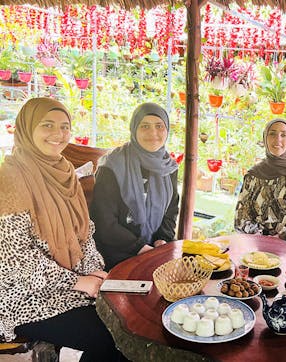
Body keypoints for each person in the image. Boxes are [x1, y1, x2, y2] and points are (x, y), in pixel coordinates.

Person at [0, 97, 123, 361]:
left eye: (65, 126)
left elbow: (84, 231)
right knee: (109, 340)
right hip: (26, 296)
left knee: (123, 328)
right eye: (47, 125)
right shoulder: (10, 178)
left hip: (69, 283)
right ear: (27, 128)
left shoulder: (65, 170)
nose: (59, 134)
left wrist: (92, 268)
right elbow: (19, 260)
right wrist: (79, 281)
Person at [91, 103, 179, 270]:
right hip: (116, 255)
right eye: (145, 126)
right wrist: (140, 247)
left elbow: (170, 212)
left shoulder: (168, 168)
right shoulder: (112, 166)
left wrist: (162, 240)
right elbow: (104, 222)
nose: (153, 133)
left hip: (153, 251)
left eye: (159, 126)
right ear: (134, 129)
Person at [234, 118, 286, 245]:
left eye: (283, 135)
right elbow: (242, 215)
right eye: (272, 134)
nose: (278, 139)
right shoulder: (254, 174)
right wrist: (259, 236)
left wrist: (279, 238)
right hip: (257, 243)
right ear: (265, 138)